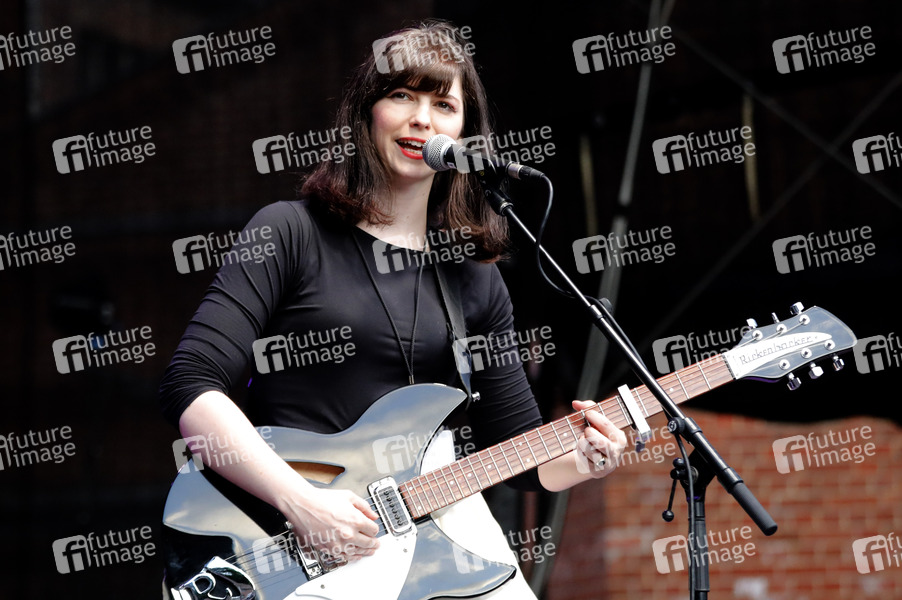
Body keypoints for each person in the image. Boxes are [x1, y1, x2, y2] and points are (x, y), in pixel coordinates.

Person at [159, 19, 627, 599]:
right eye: (402, 95)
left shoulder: (474, 278)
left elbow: (523, 453)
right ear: (368, 113)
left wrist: (584, 458)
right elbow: (190, 383)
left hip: (427, 552)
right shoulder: (290, 233)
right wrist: (299, 502)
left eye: (443, 105)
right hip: (289, 547)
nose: (422, 119)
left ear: (463, 135)